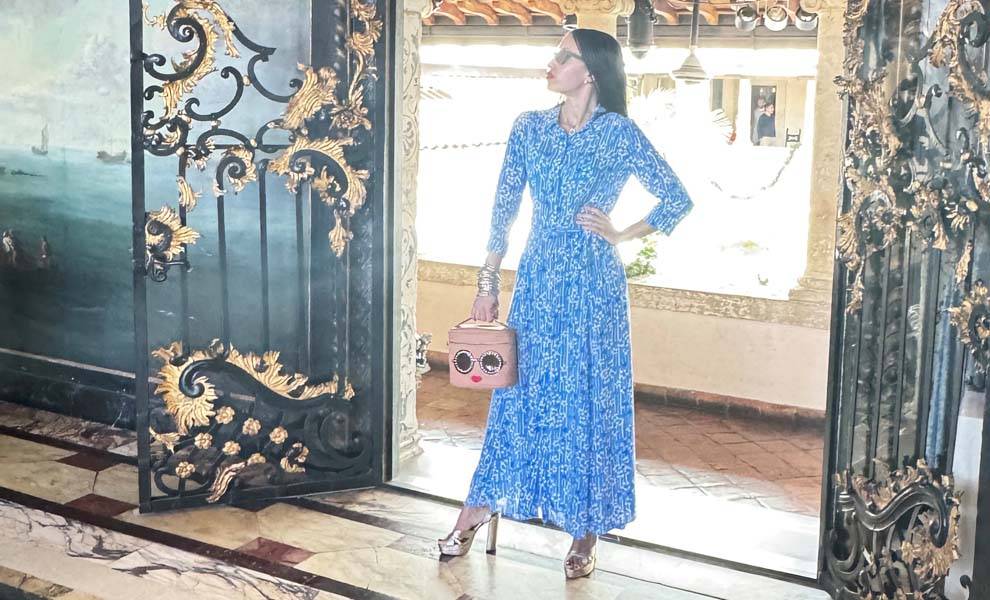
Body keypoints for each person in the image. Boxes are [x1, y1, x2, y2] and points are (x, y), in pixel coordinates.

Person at [437, 28, 693, 579]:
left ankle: (585, 528)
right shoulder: (529, 128)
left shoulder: (620, 136)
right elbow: (503, 207)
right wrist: (487, 282)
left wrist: (621, 234)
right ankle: (479, 506)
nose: (550, 64)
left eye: (563, 56)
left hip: (595, 286)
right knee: (520, 396)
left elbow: (677, 198)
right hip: (538, 280)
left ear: (591, 71)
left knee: (588, 400)